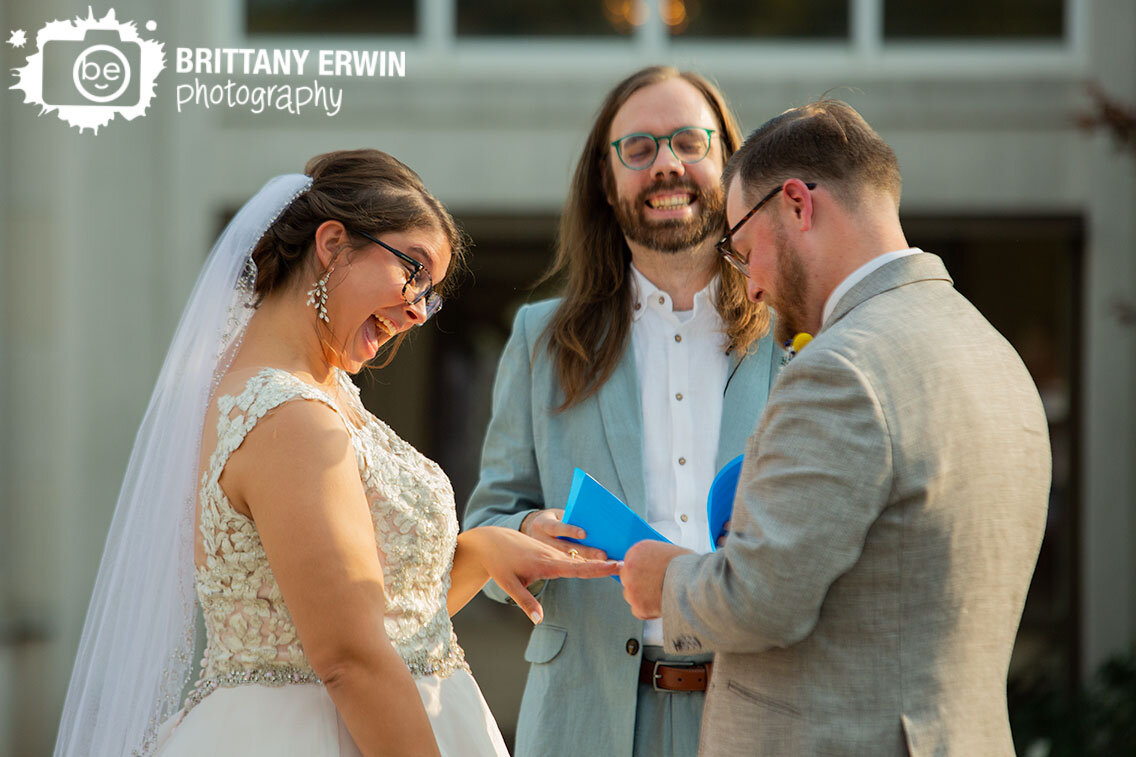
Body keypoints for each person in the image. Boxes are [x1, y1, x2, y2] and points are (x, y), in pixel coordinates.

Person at [54, 150, 619, 757]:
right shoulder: (289, 417)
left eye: (429, 296)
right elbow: (348, 659)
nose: (414, 312)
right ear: (332, 243)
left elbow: (381, 622)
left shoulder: (314, 393)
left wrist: (480, 551)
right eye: (413, 271)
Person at [619, 100, 1052, 755]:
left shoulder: (841, 370)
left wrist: (667, 580)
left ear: (796, 203)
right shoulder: (994, 351)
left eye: (741, 249)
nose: (752, 286)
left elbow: (762, 599)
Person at [463, 67, 780, 757]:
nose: (666, 164)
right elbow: (486, 523)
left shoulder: (791, 338)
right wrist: (525, 531)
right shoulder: (538, 341)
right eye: (638, 148)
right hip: (586, 719)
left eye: (689, 142)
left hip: (759, 713)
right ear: (605, 184)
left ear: (728, 163)